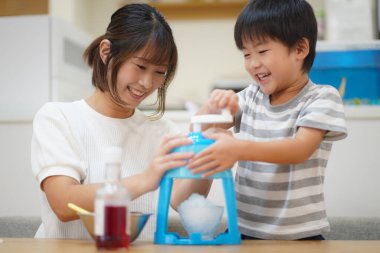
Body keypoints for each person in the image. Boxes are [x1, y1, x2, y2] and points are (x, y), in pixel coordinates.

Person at [31, 3, 197, 241]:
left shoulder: (164, 132)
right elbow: (63, 203)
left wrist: (208, 146)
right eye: (140, 66)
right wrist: (145, 180)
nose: (147, 83)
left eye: (160, 72)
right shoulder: (58, 118)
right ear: (106, 52)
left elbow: (186, 203)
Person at [185, 0, 348, 240]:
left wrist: (238, 149)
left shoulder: (323, 98)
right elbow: (196, 130)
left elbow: (299, 149)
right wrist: (213, 106)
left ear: (300, 49)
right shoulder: (250, 97)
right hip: (242, 233)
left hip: (301, 237)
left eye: (262, 51)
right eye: (246, 54)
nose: (253, 63)